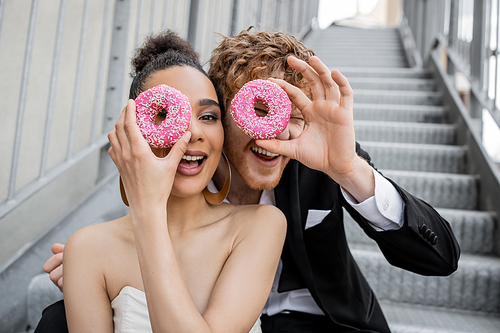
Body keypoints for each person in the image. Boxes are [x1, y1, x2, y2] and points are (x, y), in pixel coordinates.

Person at [39, 28, 460, 333]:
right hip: (203, 314)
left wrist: (347, 168)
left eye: (291, 115)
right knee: (56, 319)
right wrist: (99, 267)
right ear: (220, 112)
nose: (274, 135)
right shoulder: (186, 166)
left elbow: (440, 259)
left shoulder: (319, 162)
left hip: (318, 321)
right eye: (259, 110)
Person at [52, 30, 287, 333]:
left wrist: (147, 212)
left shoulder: (260, 225)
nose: (192, 132)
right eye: (165, 114)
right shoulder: (87, 248)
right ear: (129, 132)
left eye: (208, 116)